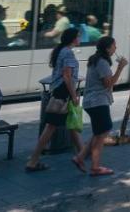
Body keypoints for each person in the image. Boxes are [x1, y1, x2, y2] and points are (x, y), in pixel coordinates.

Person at [25, 27, 84, 172]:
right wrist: (74, 95)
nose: (80, 39)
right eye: (78, 36)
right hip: (63, 93)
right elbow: (67, 76)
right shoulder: (68, 53)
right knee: (51, 127)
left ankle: (82, 153)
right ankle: (33, 160)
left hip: (60, 91)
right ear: (73, 38)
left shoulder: (61, 50)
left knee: (71, 123)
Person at [78, 35, 127, 177]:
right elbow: (109, 83)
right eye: (114, 45)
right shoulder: (102, 63)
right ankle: (95, 167)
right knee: (103, 132)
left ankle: (80, 157)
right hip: (98, 101)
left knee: (99, 132)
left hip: (92, 101)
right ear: (107, 48)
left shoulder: (97, 60)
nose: (116, 48)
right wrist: (120, 68)